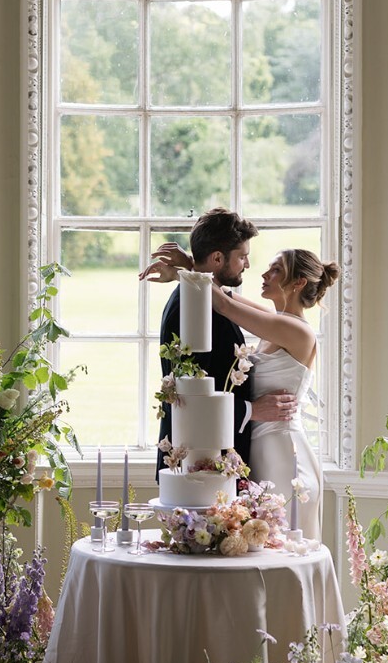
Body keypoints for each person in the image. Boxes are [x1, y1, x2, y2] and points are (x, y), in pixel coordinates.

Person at [146, 241, 340, 541]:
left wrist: (186, 270)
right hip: (260, 445)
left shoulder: (297, 331)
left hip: (281, 450)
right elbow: (225, 295)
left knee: (279, 540)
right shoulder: (278, 321)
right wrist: (189, 264)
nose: (263, 273)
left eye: (276, 270)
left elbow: (224, 305)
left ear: (298, 282)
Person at [140, 208, 298, 481]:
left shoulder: (204, 299)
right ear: (217, 258)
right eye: (242, 257)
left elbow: (223, 298)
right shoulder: (192, 309)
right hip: (199, 464)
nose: (247, 265)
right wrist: (252, 409)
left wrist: (188, 267)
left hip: (213, 458)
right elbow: (190, 393)